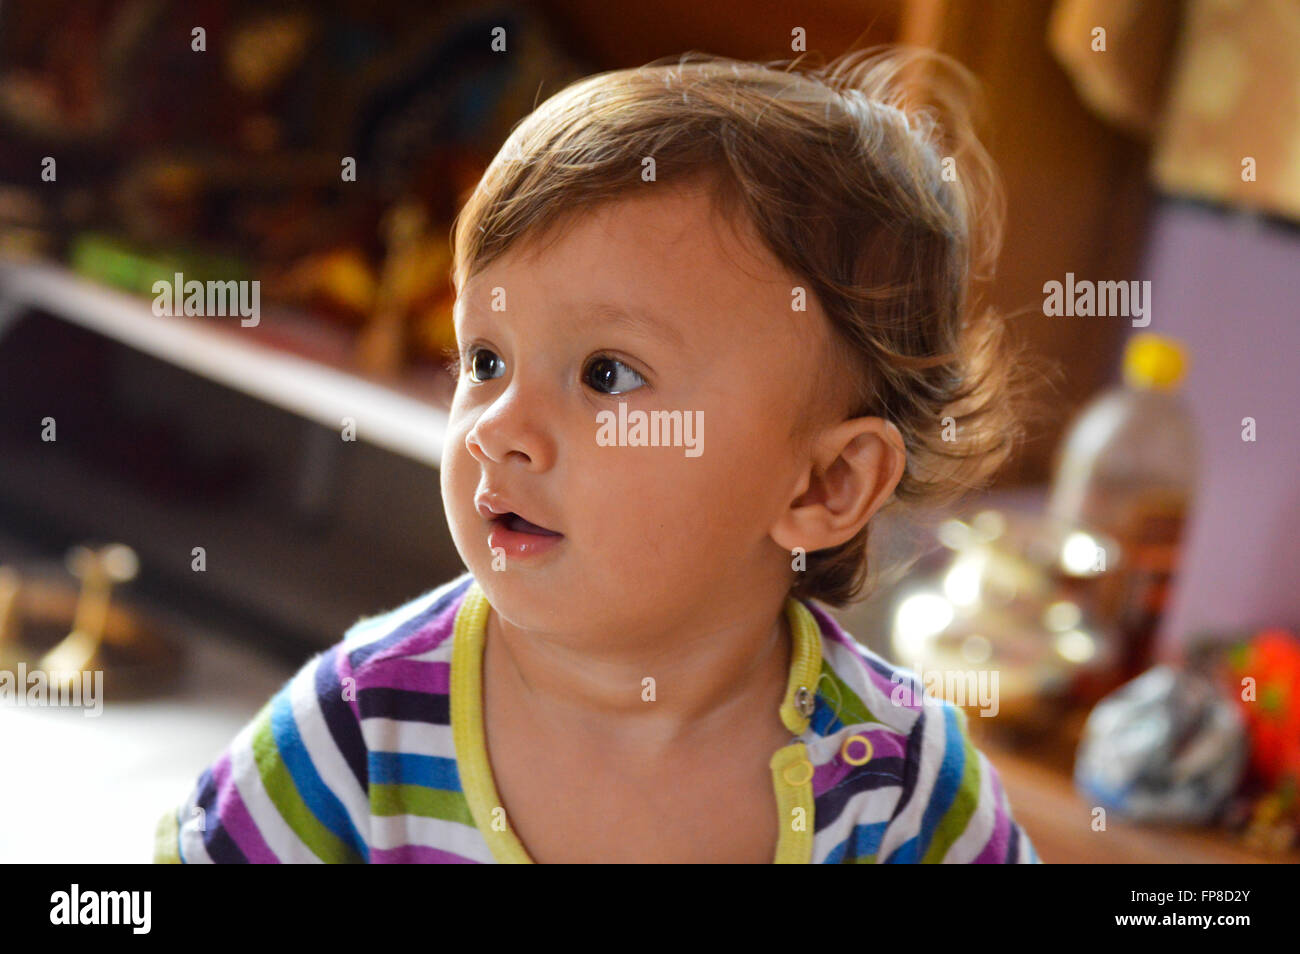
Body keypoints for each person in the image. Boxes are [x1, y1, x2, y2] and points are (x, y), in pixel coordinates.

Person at [155, 46, 1040, 864]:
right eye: (486, 360)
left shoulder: (903, 789)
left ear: (825, 483)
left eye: (606, 375)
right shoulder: (356, 733)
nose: (497, 426)